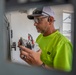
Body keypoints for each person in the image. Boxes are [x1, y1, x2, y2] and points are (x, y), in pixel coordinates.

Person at [18, 6, 73, 72]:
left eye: (38, 20)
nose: (35, 24)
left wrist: (40, 65)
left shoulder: (63, 44)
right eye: (34, 20)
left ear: (50, 20)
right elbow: (36, 62)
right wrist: (26, 57)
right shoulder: (40, 37)